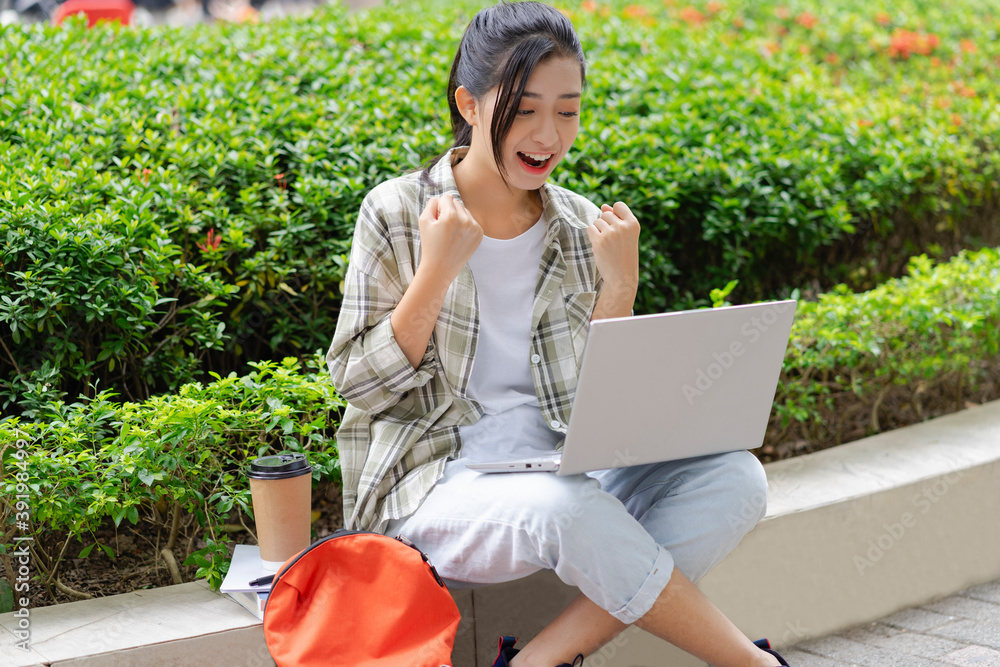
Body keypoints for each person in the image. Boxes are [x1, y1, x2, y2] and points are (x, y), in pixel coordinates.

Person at [327, 2, 790, 666]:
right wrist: (435, 273)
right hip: (431, 481)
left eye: (567, 111)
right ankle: (750, 660)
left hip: (557, 464)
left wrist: (619, 290)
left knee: (737, 480)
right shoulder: (399, 210)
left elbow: (601, 407)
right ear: (470, 104)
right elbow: (356, 382)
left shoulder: (577, 223)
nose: (548, 134)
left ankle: (540, 657)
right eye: (525, 109)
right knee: (566, 508)